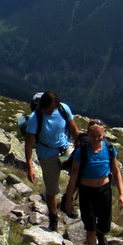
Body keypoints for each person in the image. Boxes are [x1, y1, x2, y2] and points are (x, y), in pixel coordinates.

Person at [63, 119, 123, 245]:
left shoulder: (110, 149)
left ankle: (101, 233)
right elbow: (74, 176)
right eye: (93, 136)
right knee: (89, 227)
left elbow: (116, 172)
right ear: (88, 135)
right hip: (87, 192)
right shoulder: (81, 151)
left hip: (104, 191)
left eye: (100, 136)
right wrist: (69, 199)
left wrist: (122, 194)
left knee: (105, 225)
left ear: (103, 135)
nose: (97, 139)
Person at [24, 91, 79, 232]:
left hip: (65, 150)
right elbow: (29, 144)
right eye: (47, 108)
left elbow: (73, 129)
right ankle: (53, 218)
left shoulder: (63, 109)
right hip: (48, 155)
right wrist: (30, 167)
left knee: (79, 172)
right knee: (52, 189)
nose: (49, 111)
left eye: (52, 108)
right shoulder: (36, 117)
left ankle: (67, 200)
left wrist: (80, 143)